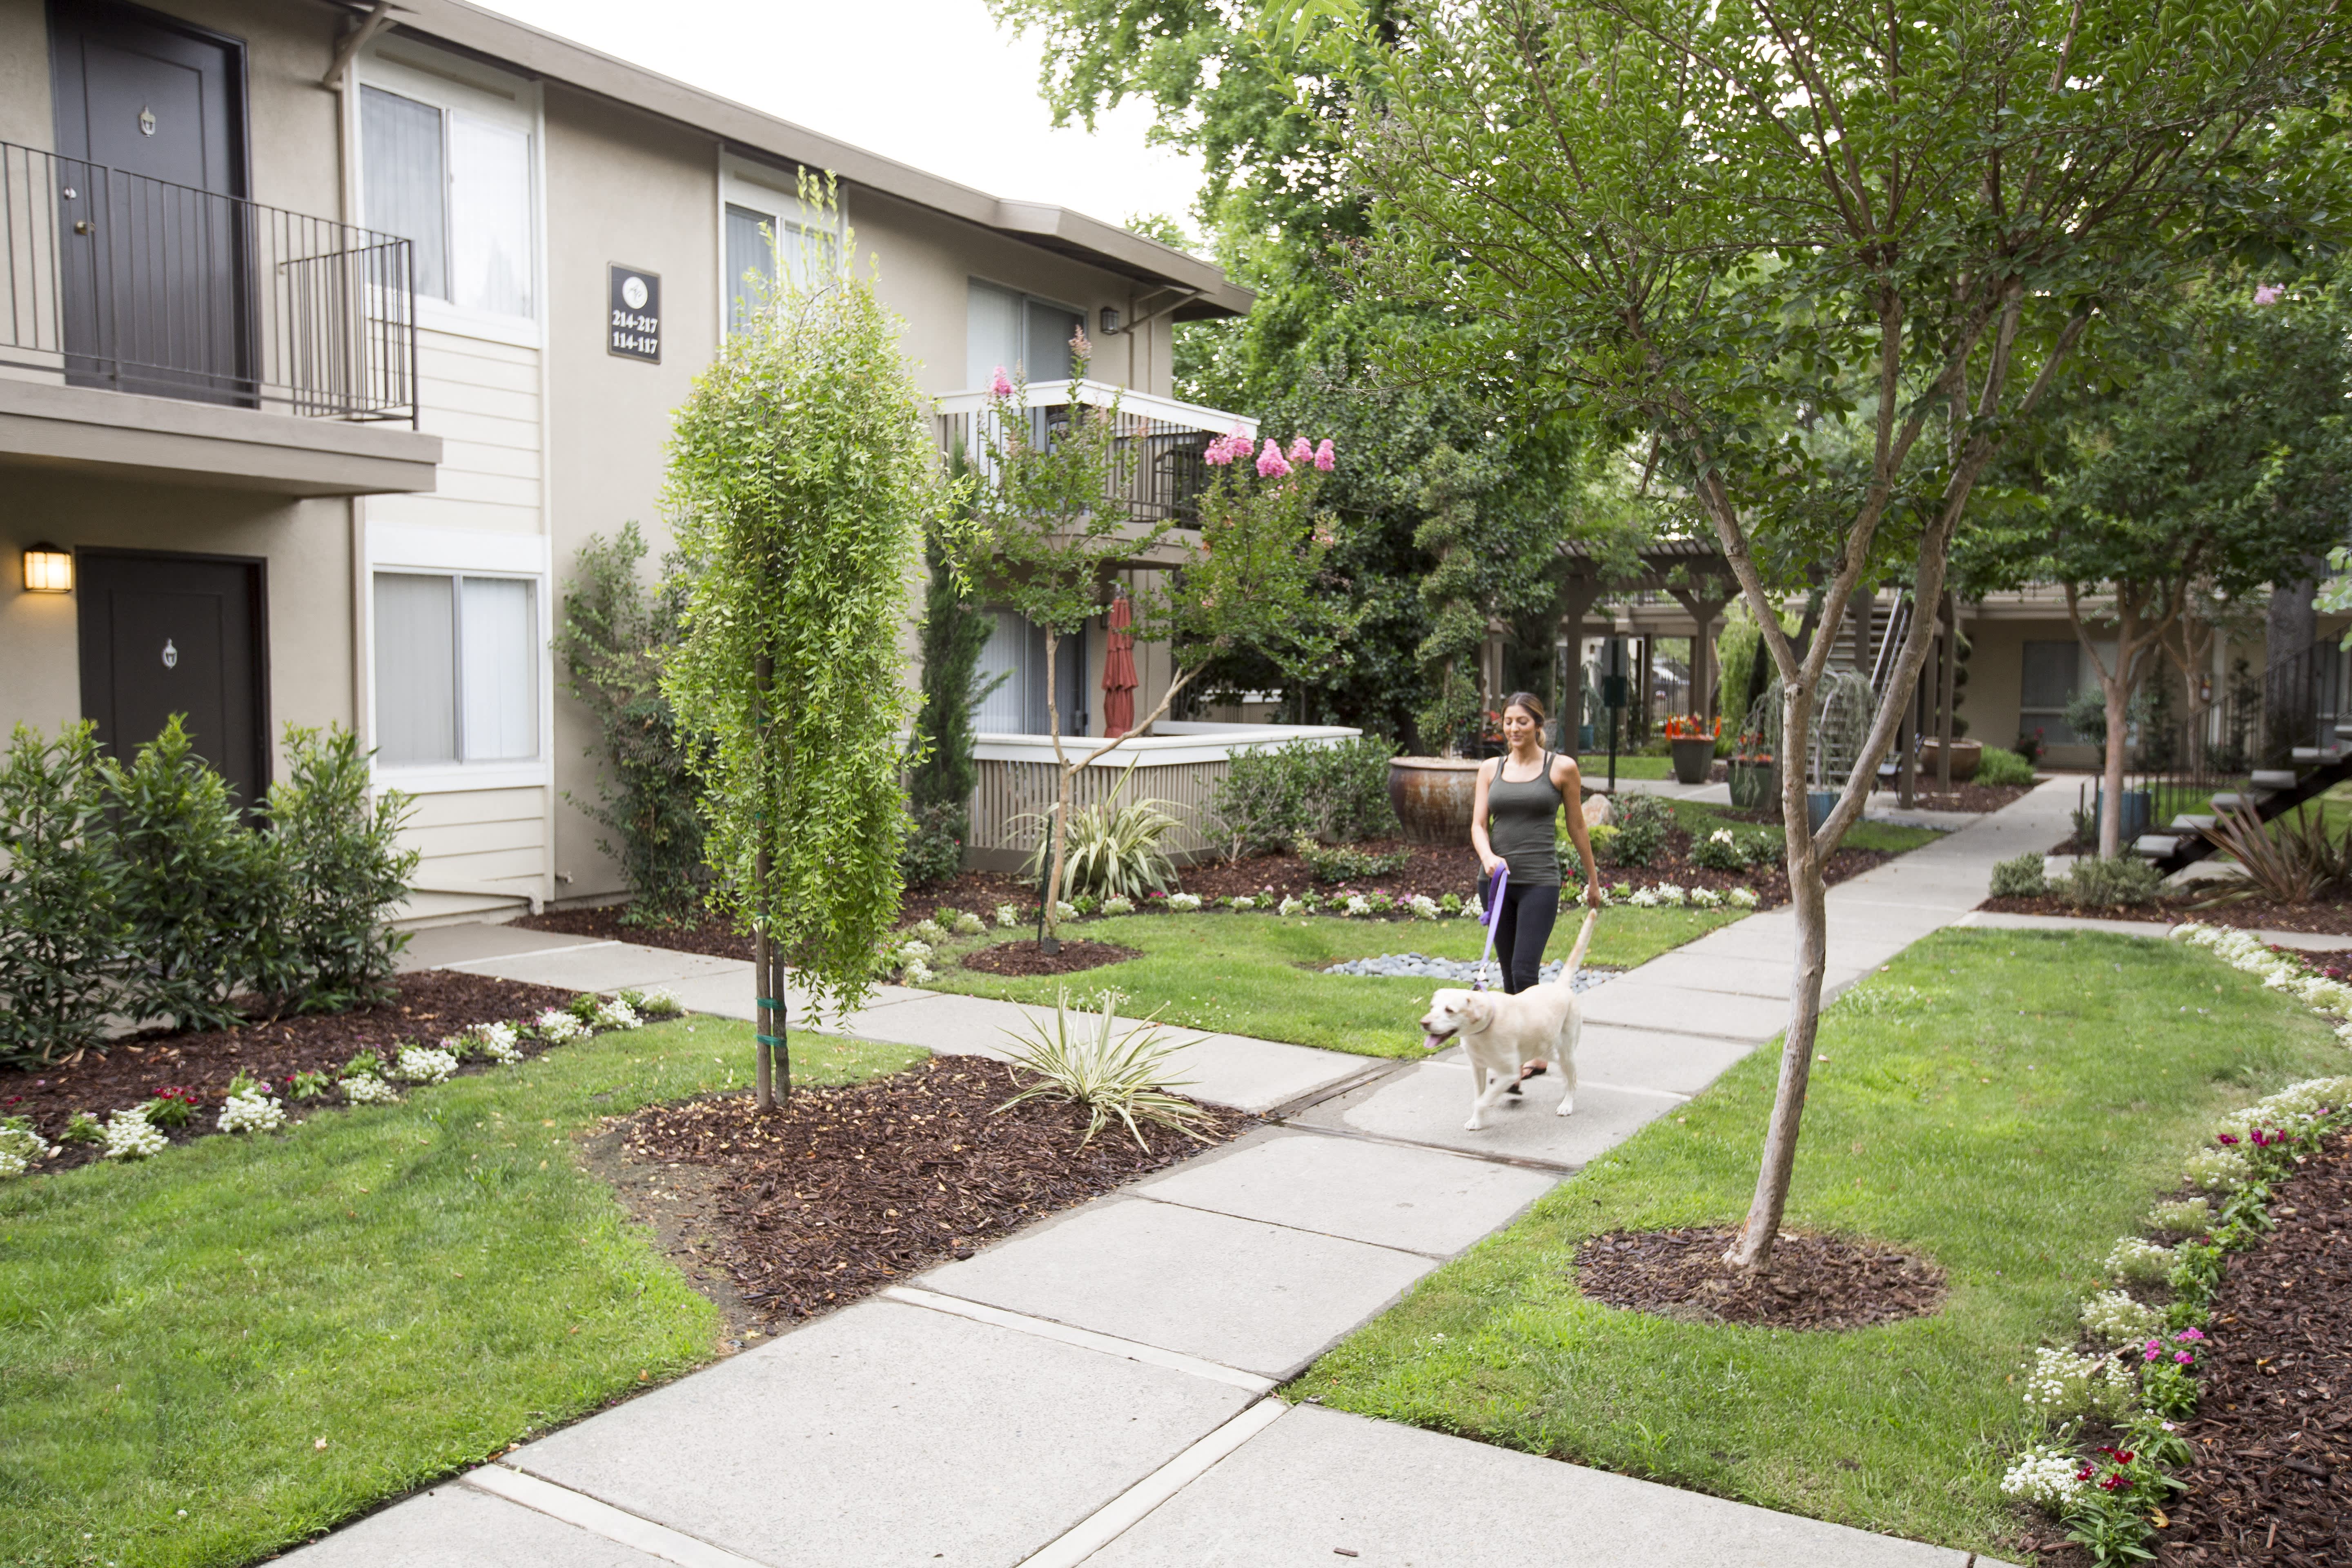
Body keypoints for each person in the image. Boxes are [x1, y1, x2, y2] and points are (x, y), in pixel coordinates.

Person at [1471, 692, 1602, 999]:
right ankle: (1518, 1032)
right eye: (1508, 722)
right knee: (1508, 974)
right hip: (1495, 883)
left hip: (1539, 882)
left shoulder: (1561, 768)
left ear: (1538, 725)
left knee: (1524, 972)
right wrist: (1488, 857)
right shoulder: (1490, 769)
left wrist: (1593, 879)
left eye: (1522, 722)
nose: (1514, 729)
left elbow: (1577, 826)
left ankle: (1536, 1030)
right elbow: (1478, 826)